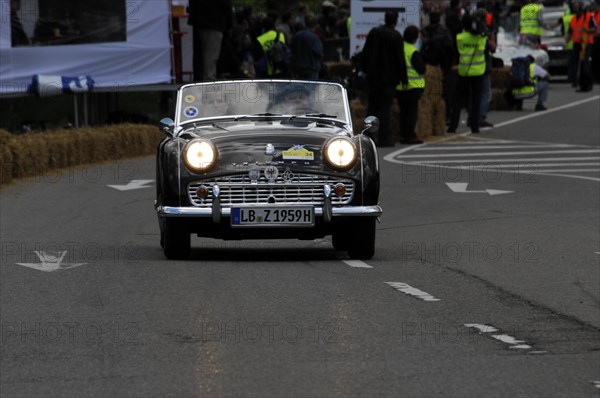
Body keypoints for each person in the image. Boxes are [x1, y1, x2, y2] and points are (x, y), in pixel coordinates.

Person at [360, 11, 407, 146]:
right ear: (395, 21)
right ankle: (384, 138)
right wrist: (404, 79)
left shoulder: (374, 32)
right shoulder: (396, 36)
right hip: (389, 79)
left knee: (372, 108)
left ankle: (368, 136)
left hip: (374, 77)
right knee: (385, 109)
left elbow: (366, 53)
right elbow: (400, 59)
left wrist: (365, 71)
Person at [448, 14, 490, 134]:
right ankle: (474, 126)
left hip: (464, 72)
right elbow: (487, 54)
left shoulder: (459, 37)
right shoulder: (482, 38)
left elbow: (455, 53)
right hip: (478, 72)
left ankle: (453, 126)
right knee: (476, 100)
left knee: (457, 100)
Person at [188, 0, 234, 81]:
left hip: (199, 20)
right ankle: (209, 80)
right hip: (214, 21)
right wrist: (230, 23)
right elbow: (226, 4)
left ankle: (201, 78)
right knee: (211, 55)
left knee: (201, 55)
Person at [396, 25, 426, 145]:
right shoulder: (412, 51)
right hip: (412, 86)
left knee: (403, 113)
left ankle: (403, 135)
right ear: (415, 38)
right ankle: (410, 136)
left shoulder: (399, 48)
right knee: (411, 113)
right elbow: (421, 69)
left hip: (399, 86)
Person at [290, 15, 323, 80]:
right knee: (312, 88)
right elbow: (319, 52)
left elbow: (292, 51)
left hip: (299, 68)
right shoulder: (314, 37)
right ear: (315, 25)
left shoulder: (297, 35)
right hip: (312, 68)